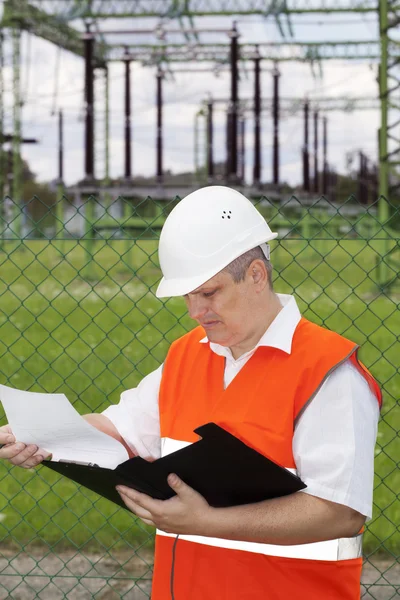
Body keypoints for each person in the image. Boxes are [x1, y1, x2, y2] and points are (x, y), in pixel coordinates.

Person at [0, 186, 381, 600]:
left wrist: (207, 522)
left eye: (209, 292)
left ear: (256, 275)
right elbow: (120, 429)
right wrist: (43, 436)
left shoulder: (329, 372)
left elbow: (338, 513)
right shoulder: (186, 355)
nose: (195, 312)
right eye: (188, 295)